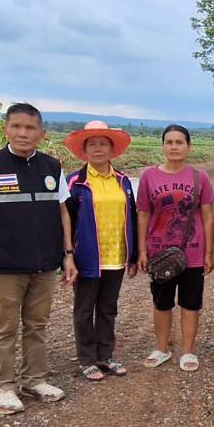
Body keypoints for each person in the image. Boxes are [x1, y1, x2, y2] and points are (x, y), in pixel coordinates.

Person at [0, 103, 78, 415]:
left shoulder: (52, 167)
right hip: (6, 266)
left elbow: (63, 212)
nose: (23, 133)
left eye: (30, 128)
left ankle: (34, 380)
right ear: (6, 130)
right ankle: (2, 387)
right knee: (5, 328)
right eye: (16, 126)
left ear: (41, 133)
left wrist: (68, 255)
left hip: (44, 264)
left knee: (37, 324)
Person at [134, 125, 214, 371]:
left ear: (189, 147)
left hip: (192, 252)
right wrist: (141, 250)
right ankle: (162, 348)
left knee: (191, 303)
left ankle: (188, 352)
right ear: (162, 146)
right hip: (160, 253)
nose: (174, 147)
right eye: (169, 142)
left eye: (179, 142)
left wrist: (208, 252)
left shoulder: (199, 177)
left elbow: (208, 216)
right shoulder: (149, 176)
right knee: (162, 302)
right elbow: (143, 215)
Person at [62, 121, 138, 382]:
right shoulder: (75, 181)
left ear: (112, 149)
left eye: (103, 143)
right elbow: (65, 221)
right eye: (91, 144)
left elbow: (133, 218)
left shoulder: (124, 181)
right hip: (86, 258)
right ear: (84, 150)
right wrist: (67, 255)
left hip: (115, 256)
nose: (97, 148)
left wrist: (134, 254)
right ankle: (86, 359)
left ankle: (106, 356)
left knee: (108, 308)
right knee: (84, 309)